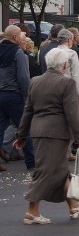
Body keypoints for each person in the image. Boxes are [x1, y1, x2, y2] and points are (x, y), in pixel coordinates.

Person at [15, 49, 79, 224]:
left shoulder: (35, 81)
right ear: (64, 65)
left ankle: (73, 205)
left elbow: (28, 110)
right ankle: (32, 212)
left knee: (58, 169)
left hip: (39, 130)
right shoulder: (67, 83)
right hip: (58, 133)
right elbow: (72, 114)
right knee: (46, 171)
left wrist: (21, 134)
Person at [0, 25, 35, 169]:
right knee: (25, 126)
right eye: (21, 35)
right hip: (14, 94)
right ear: (15, 37)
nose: (23, 38)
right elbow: (23, 77)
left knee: (1, 127)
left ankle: (2, 150)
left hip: (0, 93)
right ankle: (31, 161)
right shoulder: (18, 52)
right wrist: (28, 96)